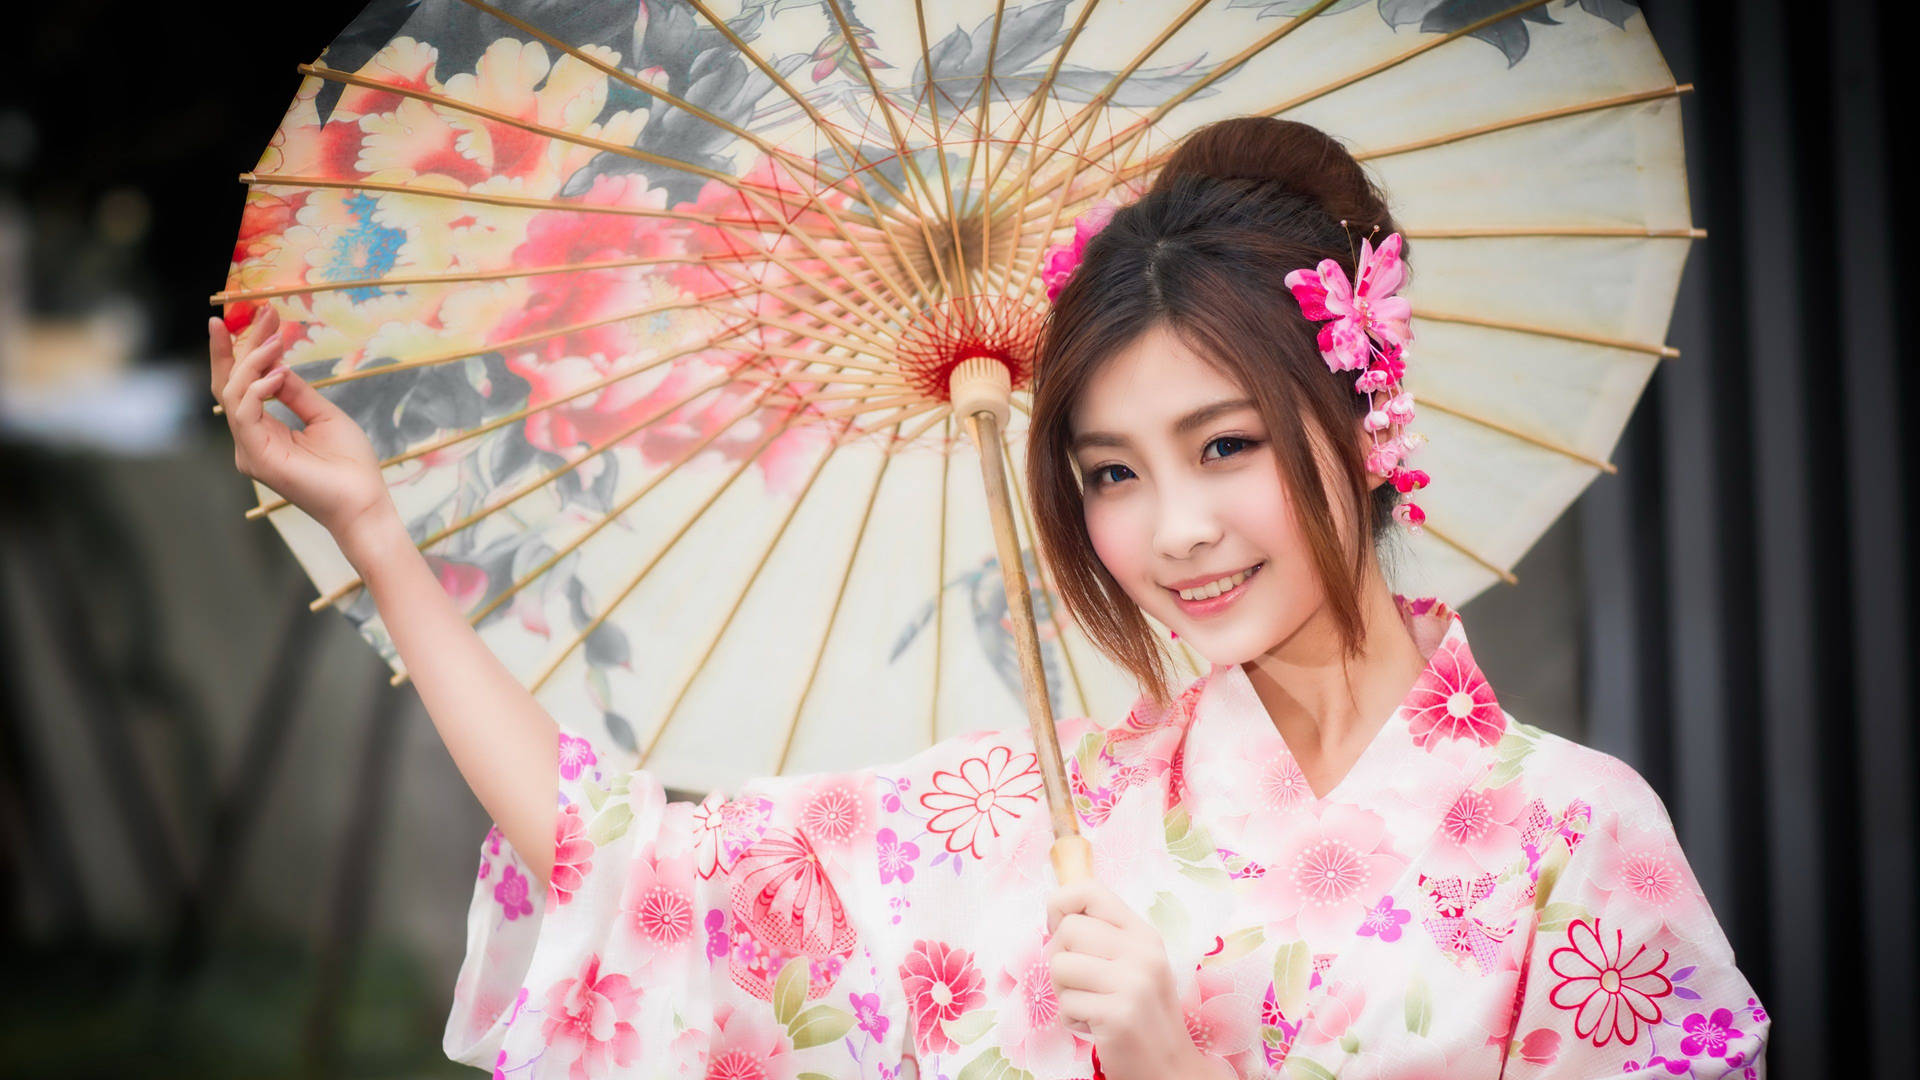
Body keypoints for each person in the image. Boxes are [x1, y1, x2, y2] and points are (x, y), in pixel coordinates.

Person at [208, 115, 1768, 1079]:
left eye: (1222, 446)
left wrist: (1169, 1067)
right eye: (1108, 474)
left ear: (1363, 420)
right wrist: (379, 540)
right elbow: (642, 873)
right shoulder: (1046, 817)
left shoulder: (1580, 841)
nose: (1174, 531)